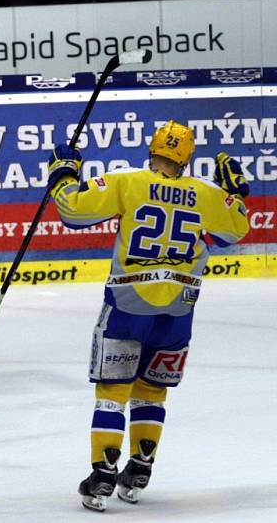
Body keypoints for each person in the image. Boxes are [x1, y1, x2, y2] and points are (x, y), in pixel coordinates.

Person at [45, 121, 250, 511]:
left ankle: (104, 475)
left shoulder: (128, 182)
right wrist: (236, 192)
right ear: (187, 158)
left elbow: (72, 210)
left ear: (151, 149)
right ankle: (140, 468)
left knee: (112, 391)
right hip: (178, 311)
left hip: (127, 303)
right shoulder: (204, 193)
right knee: (153, 390)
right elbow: (235, 230)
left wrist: (63, 173)